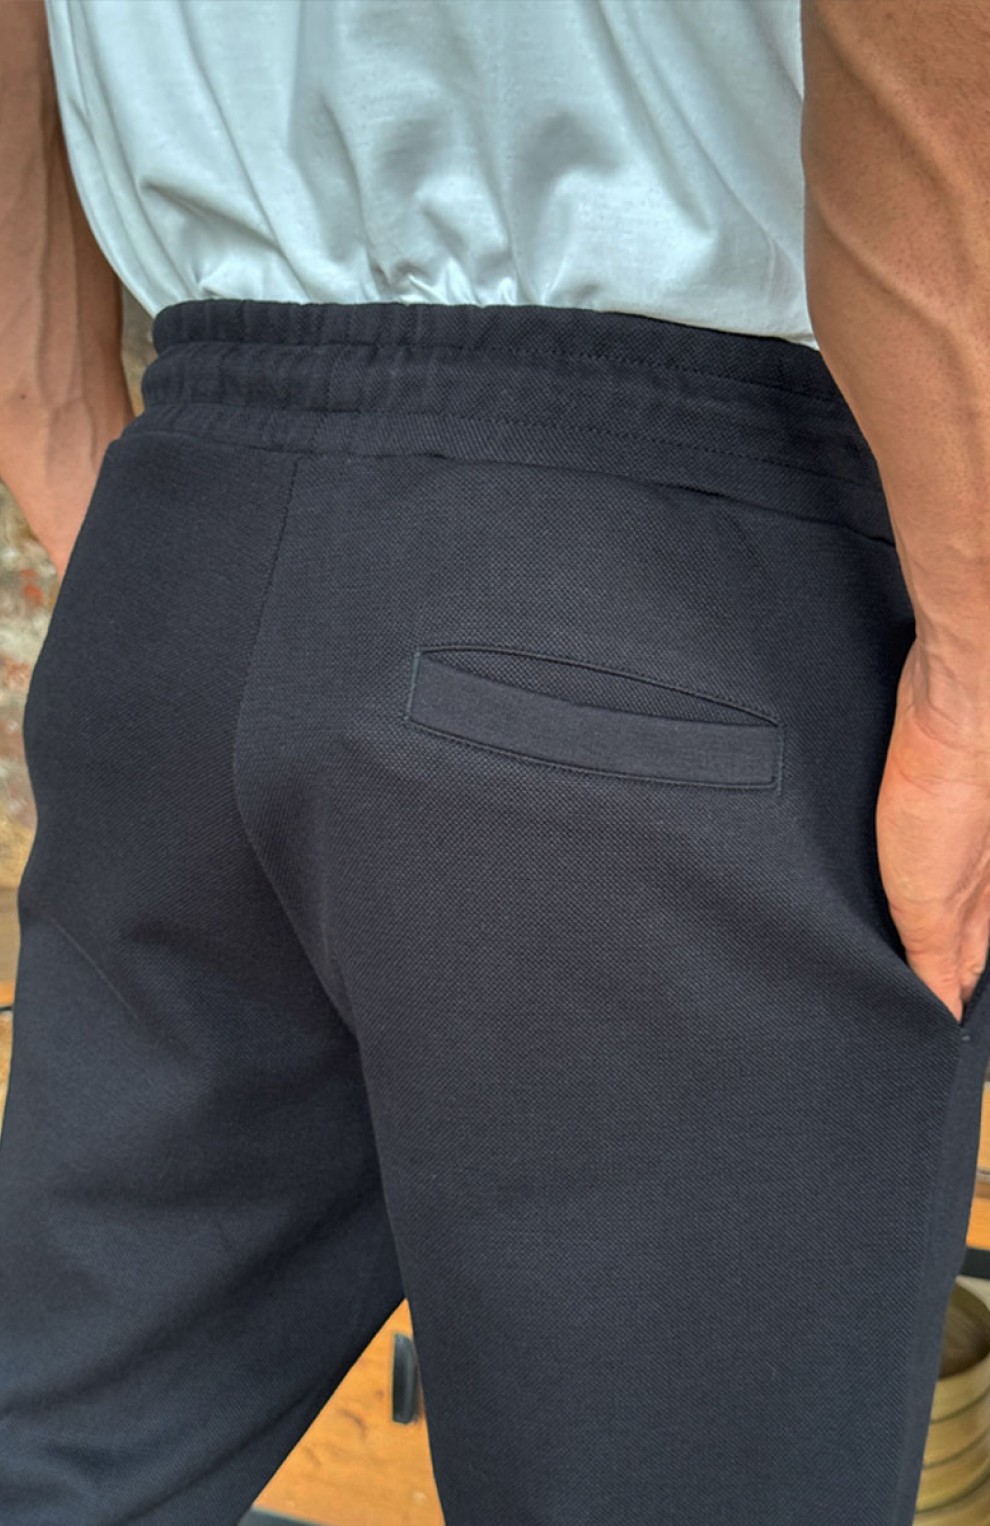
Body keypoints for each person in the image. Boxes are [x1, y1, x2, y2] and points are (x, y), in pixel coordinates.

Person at [1, 0, 989, 1521]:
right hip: (668, 560)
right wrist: (974, 669)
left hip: (191, 523)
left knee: (60, 1459)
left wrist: (60, 428)